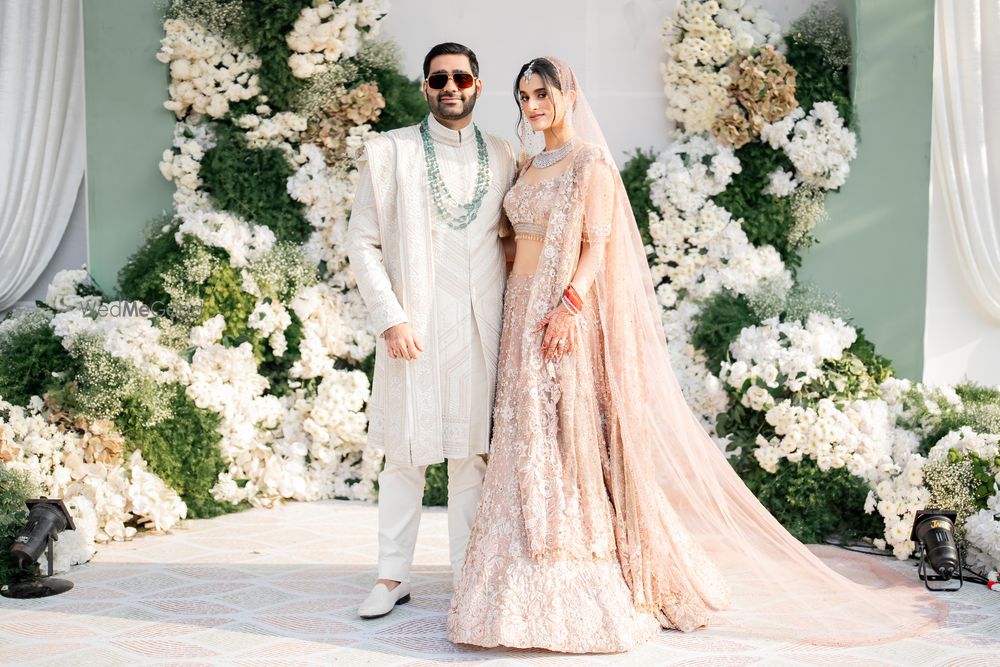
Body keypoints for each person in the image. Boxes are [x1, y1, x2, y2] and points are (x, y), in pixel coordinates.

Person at [447, 56, 946, 653]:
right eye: (524, 96)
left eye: (543, 94)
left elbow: (596, 248)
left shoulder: (590, 165)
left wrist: (569, 306)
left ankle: (573, 563)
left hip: (561, 315)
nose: (533, 106)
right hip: (518, 315)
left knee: (565, 438)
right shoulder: (528, 166)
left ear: (569, 95)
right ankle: (516, 570)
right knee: (525, 440)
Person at [347, 42, 516, 619]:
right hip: (413, 326)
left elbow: (514, 240)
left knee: (473, 458)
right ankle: (391, 578)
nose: (451, 87)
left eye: (461, 77)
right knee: (405, 454)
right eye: (439, 78)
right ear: (424, 86)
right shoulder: (389, 152)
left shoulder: (503, 153)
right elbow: (362, 243)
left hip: (480, 329)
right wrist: (391, 317)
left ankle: (468, 577)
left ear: (477, 84)